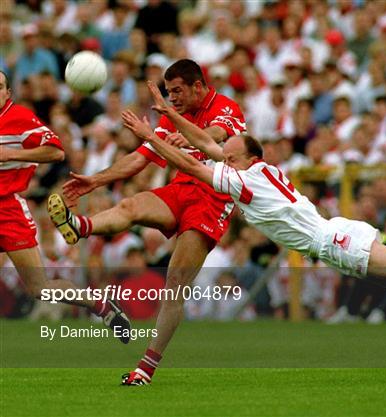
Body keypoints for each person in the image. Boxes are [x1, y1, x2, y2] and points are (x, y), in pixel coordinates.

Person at [103, 80, 386, 387]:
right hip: (335, 241)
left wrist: (148, 136)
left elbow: (195, 163)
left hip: (336, 242)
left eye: (230, 153)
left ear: (247, 156)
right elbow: (204, 146)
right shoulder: (253, 168)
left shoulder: (244, 180)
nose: (222, 154)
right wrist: (169, 112)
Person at [48, 59, 246, 385]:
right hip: (182, 187)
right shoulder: (171, 117)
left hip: (213, 198)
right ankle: (80, 226)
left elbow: (214, 135)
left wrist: (176, 128)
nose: (173, 98)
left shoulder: (225, 107)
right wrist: (95, 181)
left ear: (199, 86)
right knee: (131, 204)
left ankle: (146, 367)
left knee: (175, 283)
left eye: (178, 91)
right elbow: (140, 158)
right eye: (169, 93)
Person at [0, 70, 130, 341]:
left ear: (8, 93)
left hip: (7, 211)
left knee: (40, 288)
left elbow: (57, 151)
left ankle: (100, 305)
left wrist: (13, 153)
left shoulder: (19, 117)